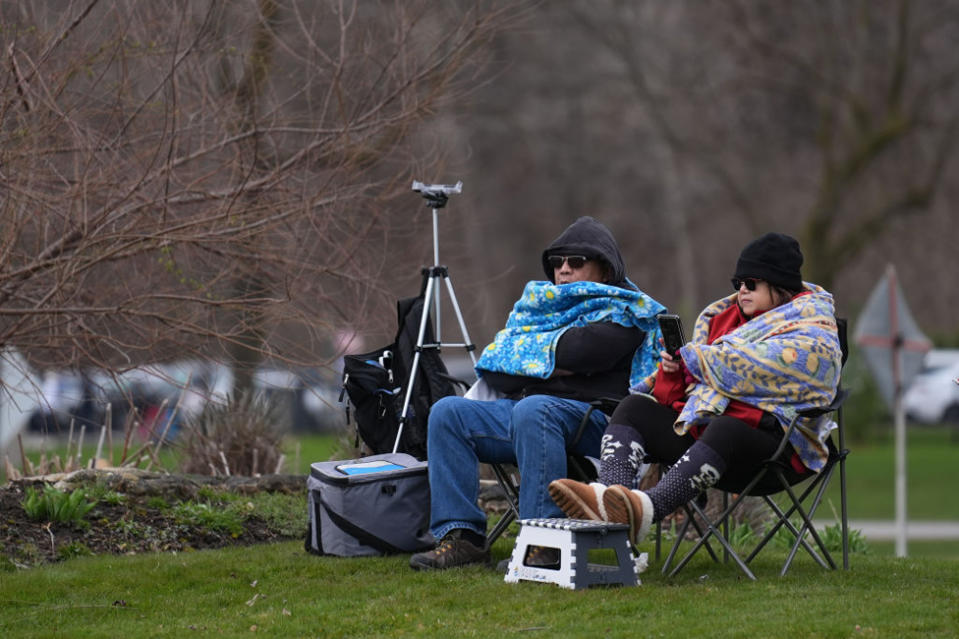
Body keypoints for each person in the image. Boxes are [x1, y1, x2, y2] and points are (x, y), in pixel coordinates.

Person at [549, 232, 843, 546]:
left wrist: (698, 361)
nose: (742, 290)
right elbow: (679, 397)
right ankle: (611, 504)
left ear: (780, 285)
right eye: (737, 283)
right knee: (634, 409)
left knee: (728, 427)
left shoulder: (812, 326)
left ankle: (644, 510)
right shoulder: (720, 320)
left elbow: (764, 367)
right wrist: (675, 372)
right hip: (704, 435)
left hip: (776, 447)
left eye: (751, 284)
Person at [409, 216, 665, 570]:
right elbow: (498, 368)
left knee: (535, 407)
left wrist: (534, 359)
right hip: (532, 416)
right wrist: (555, 362)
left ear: (605, 270)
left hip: (599, 425)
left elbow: (585, 352)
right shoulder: (538, 311)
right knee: (449, 412)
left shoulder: (626, 312)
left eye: (576, 262)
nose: (563, 270)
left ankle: (545, 543)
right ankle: (462, 538)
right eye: (557, 262)